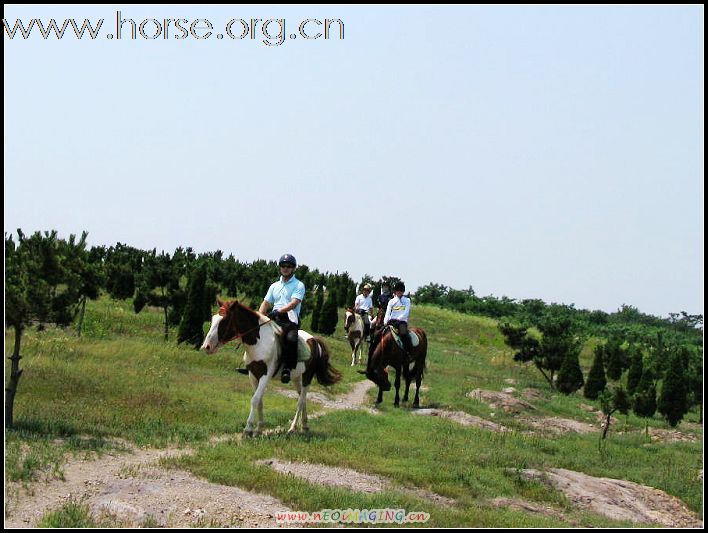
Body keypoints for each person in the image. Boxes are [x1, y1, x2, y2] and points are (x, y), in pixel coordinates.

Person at [258, 254, 305, 383]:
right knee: (256, 335)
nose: (285, 268)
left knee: (291, 339)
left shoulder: (299, 285)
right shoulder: (274, 286)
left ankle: (287, 369)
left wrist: (278, 311)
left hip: (289, 319)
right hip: (274, 317)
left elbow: (294, 303)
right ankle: (252, 364)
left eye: (289, 266)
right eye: (283, 266)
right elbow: (266, 303)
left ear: (293, 268)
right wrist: (259, 316)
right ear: (280, 267)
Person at [383, 281, 413, 357]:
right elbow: (388, 312)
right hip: (391, 321)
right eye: (397, 290)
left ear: (403, 292)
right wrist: (385, 321)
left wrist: (398, 319)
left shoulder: (407, 301)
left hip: (402, 322)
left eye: (401, 291)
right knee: (380, 333)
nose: (399, 292)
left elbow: (406, 312)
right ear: (395, 291)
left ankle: (408, 352)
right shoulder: (391, 301)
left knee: (404, 334)